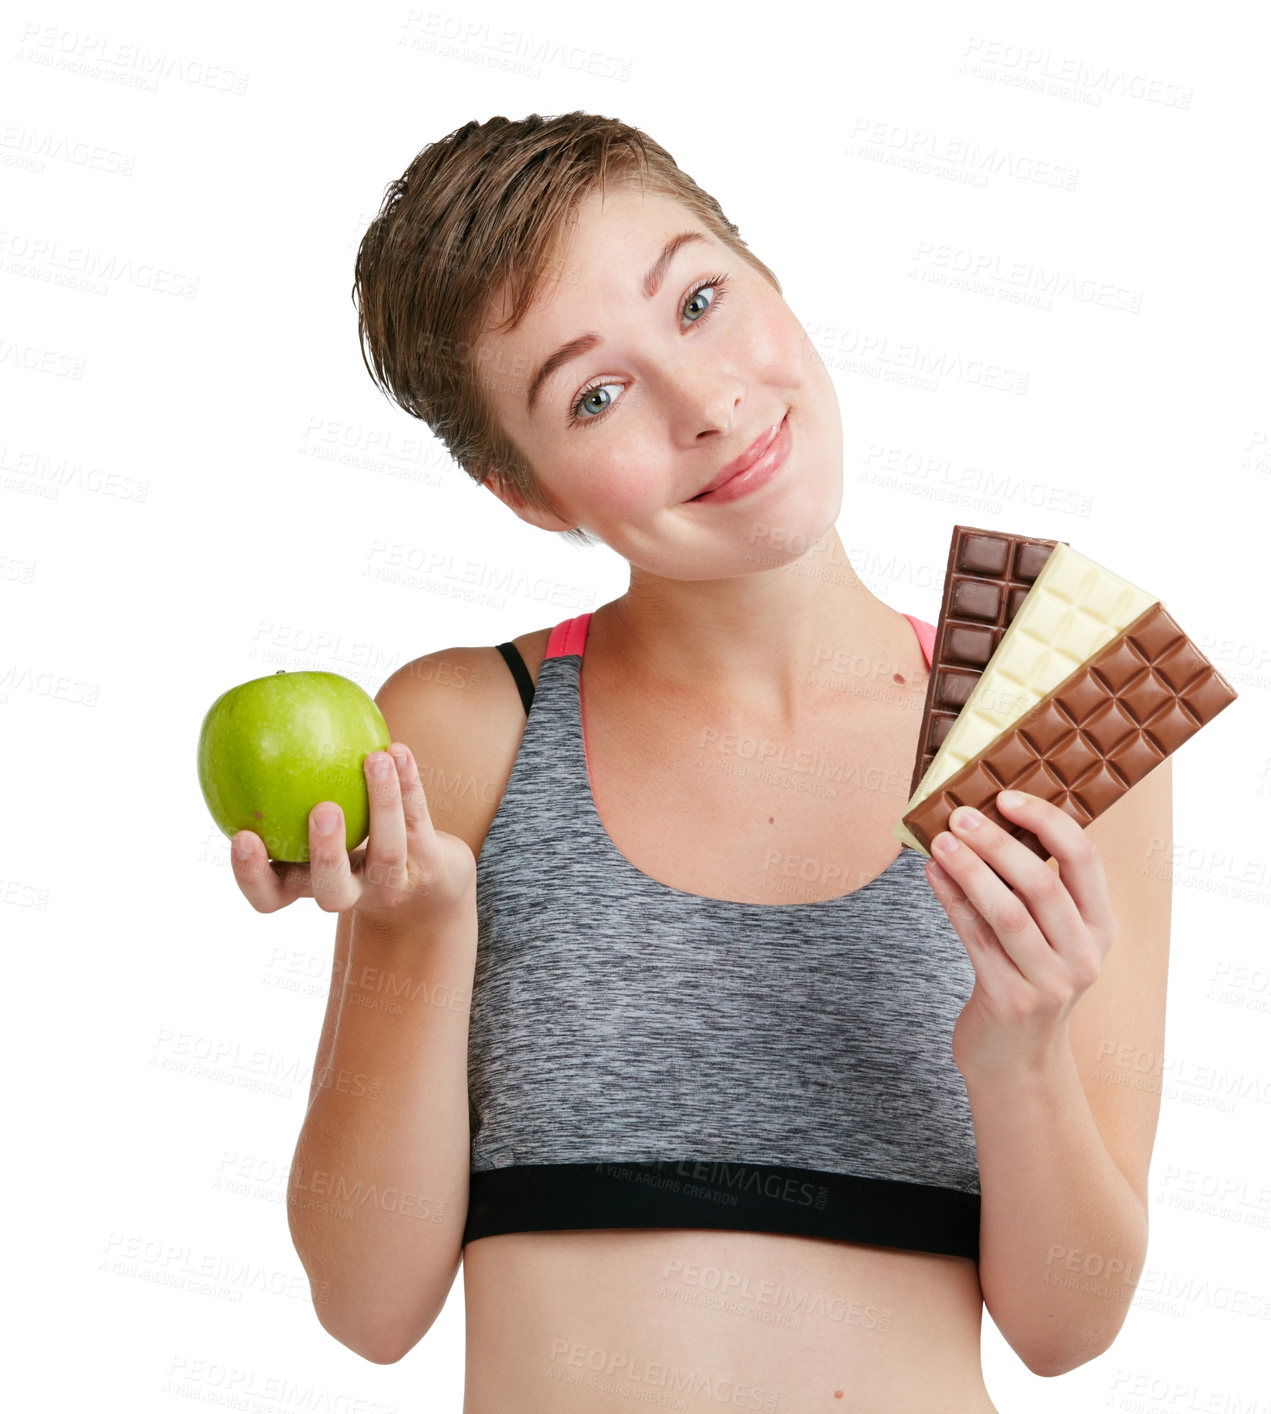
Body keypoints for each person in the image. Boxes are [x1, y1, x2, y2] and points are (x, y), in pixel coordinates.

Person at [229, 112, 1173, 1411]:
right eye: (594, 394)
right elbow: (365, 1305)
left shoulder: (1052, 692)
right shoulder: (466, 723)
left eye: (700, 298)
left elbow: (1071, 1323)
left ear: (767, 273)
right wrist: (418, 931)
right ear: (526, 489)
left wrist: (1020, 1044)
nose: (708, 399)